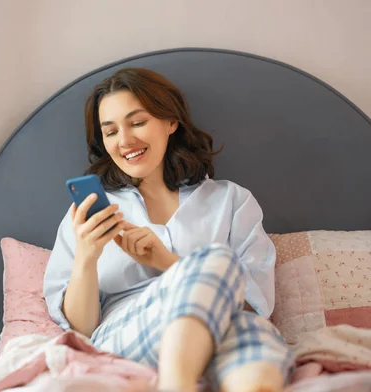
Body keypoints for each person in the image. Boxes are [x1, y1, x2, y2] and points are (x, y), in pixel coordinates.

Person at [43, 68, 294, 392]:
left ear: (170, 121)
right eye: (110, 131)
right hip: (128, 329)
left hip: (226, 323)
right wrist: (87, 258)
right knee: (216, 259)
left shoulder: (230, 200)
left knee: (254, 337)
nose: (125, 141)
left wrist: (165, 260)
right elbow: (82, 329)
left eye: (137, 122)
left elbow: (254, 305)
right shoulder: (87, 215)